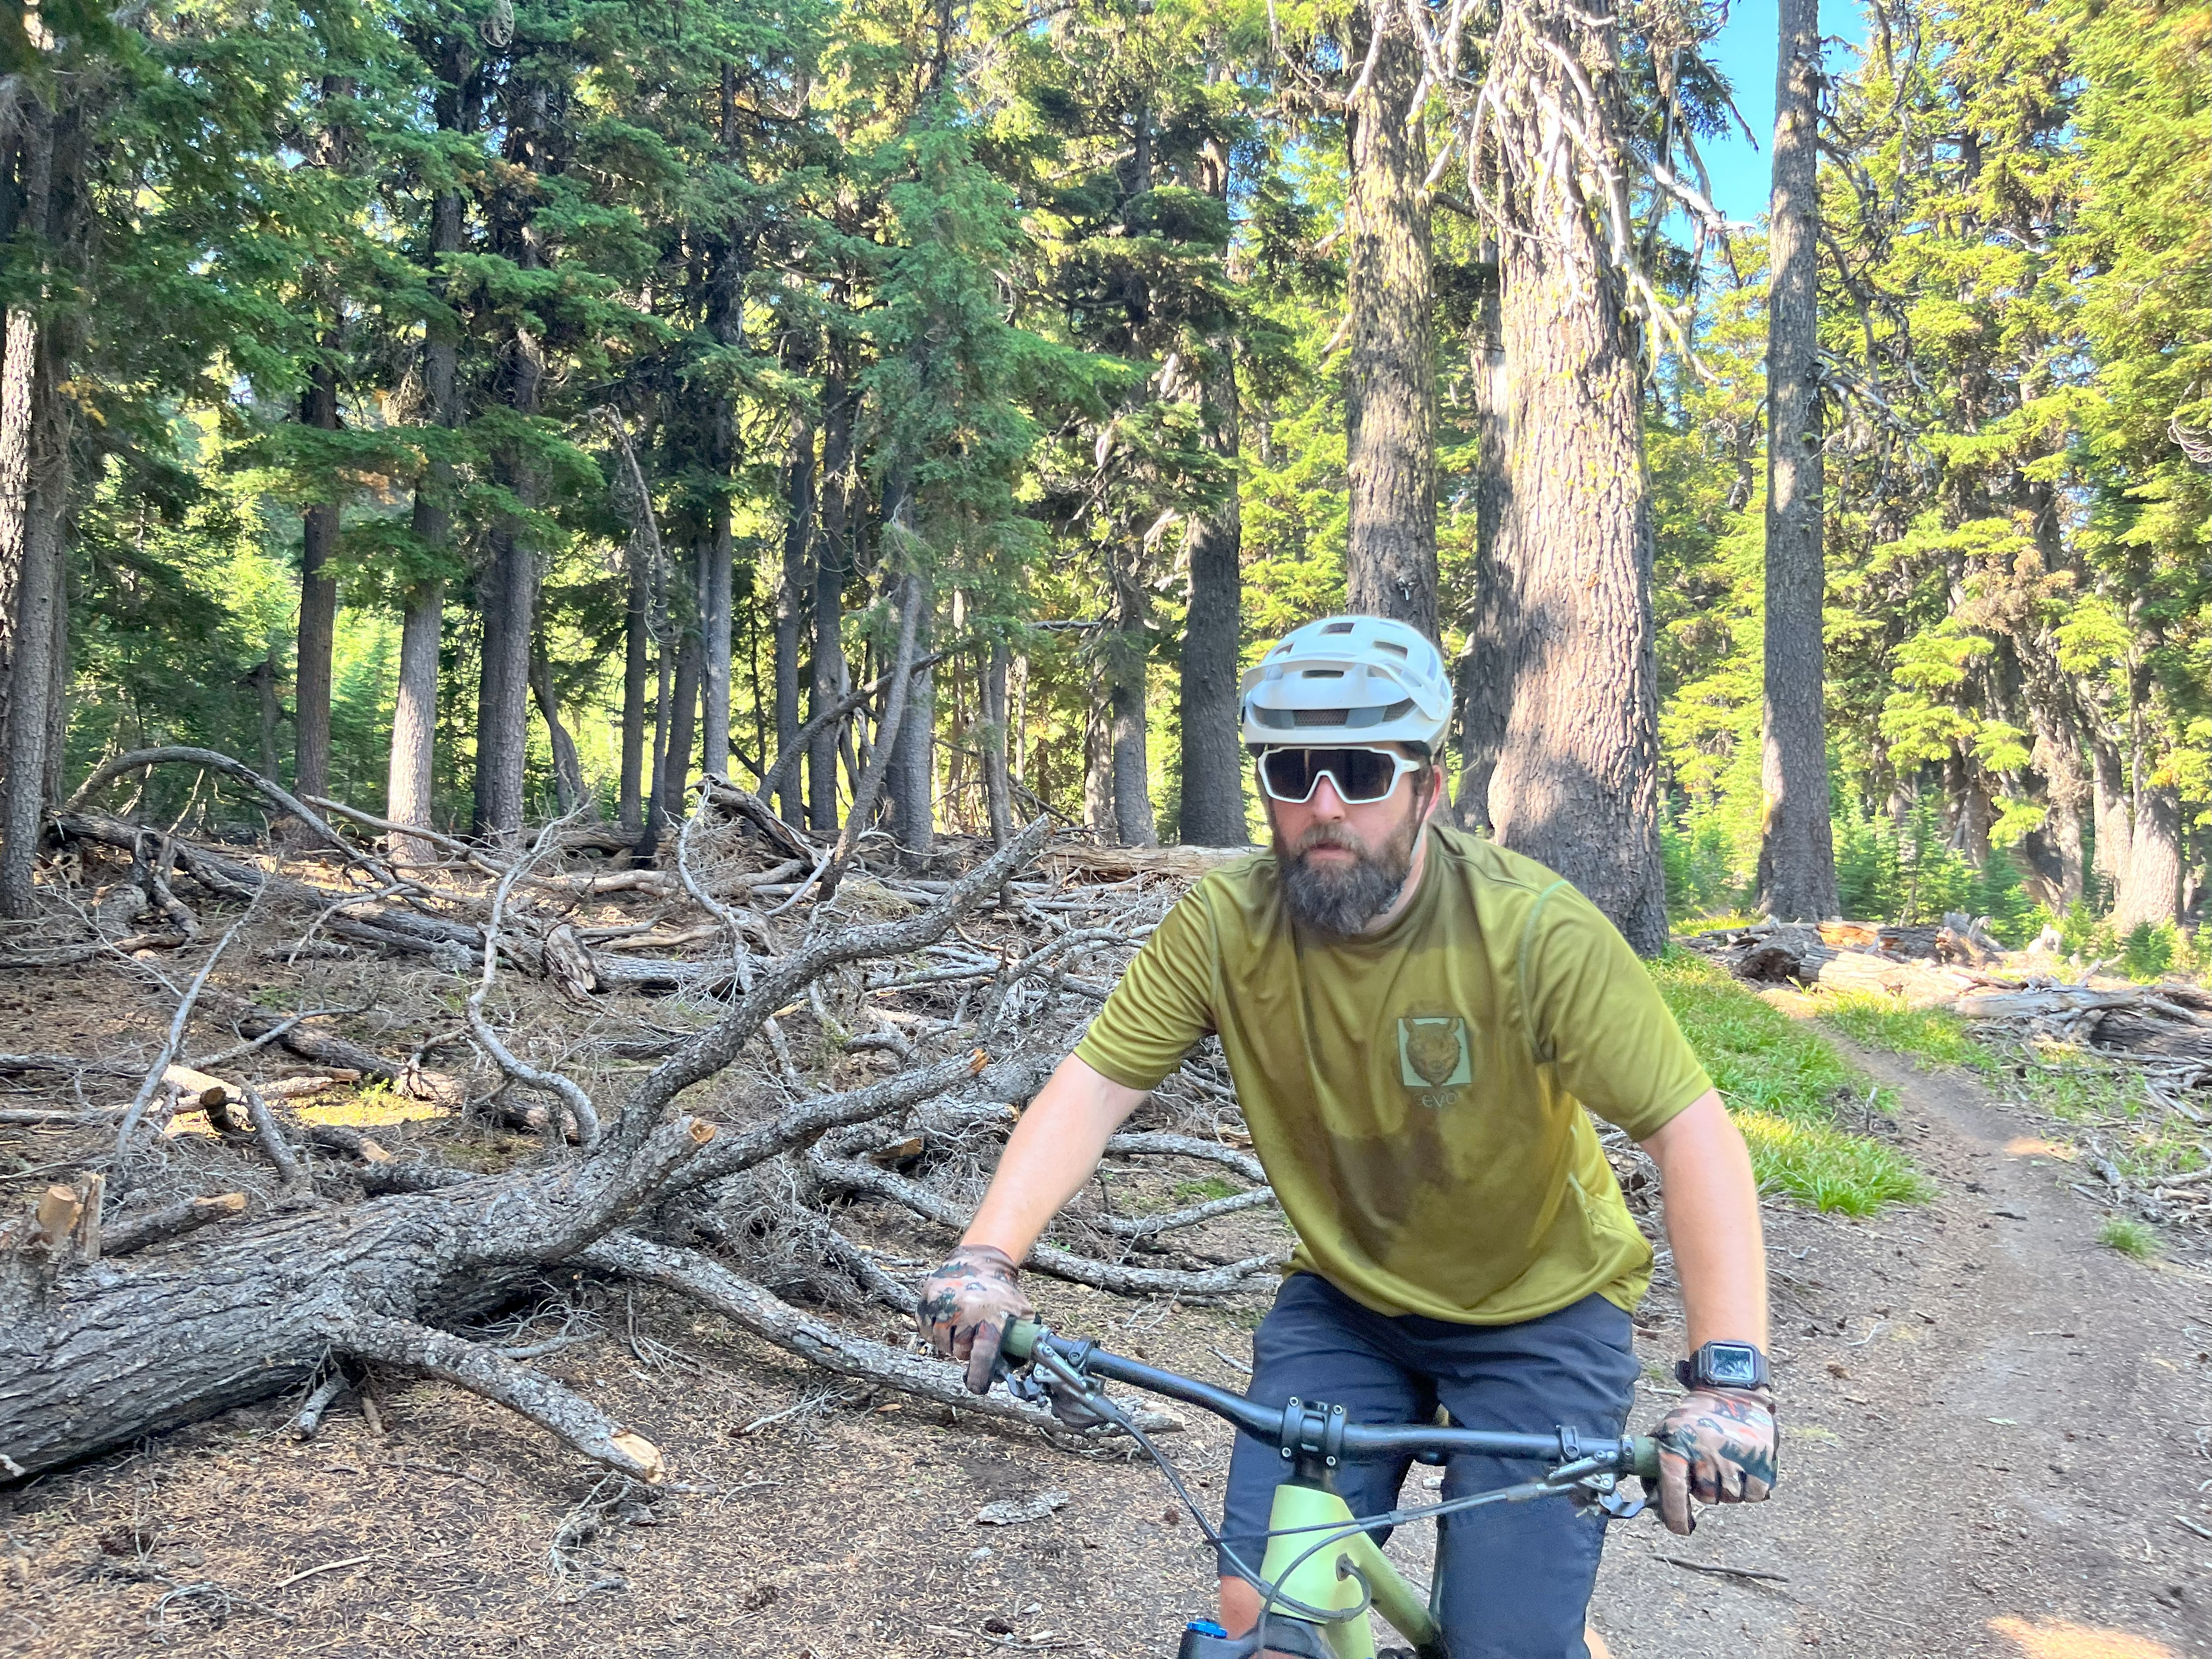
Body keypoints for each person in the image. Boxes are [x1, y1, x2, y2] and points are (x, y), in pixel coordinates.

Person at [919, 614, 1775, 1659]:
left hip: (1543, 1309)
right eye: (1294, 771)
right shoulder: (1223, 926)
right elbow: (1092, 1089)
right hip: (1350, 1304)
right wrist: (984, 1257)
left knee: (1500, 1646)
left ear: (1428, 783)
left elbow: (1692, 1136)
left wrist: (1729, 1379)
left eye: (1362, 770)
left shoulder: (1533, 933)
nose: (1326, 806)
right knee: (1261, 1619)